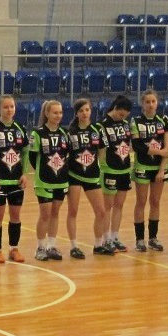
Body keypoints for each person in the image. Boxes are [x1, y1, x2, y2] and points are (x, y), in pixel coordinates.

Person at [0, 95, 30, 264]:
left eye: (12, 106)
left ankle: (14, 249)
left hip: (16, 181)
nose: (9, 109)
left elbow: (25, 152)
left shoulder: (20, 128)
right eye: (6, 107)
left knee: (15, 215)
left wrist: (24, 173)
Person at [63, 98, 110, 258]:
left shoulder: (97, 129)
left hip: (92, 175)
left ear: (91, 111)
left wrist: (98, 163)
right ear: (76, 113)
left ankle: (98, 245)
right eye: (81, 110)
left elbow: (102, 149)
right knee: (73, 211)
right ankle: (74, 246)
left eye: (87, 110)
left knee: (101, 212)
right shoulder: (70, 132)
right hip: (74, 175)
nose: (85, 113)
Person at [28, 99, 70, 261]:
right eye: (55, 112)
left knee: (55, 213)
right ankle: (40, 247)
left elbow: (67, 155)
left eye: (60, 112)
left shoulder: (64, 133)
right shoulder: (38, 134)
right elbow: (32, 158)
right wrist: (44, 169)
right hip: (44, 180)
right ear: (47, 113)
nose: (58, 115)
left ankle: (51, 246)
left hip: (61, 180)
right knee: (45, 214)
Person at [129, 91, 168, 252]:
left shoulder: (164, 120)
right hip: (142, 166)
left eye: (153, 101)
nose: (151, 104)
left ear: (157, 103)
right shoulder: (136, 121)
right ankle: (139, 240)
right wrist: (159, 152)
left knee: (155, 202)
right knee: (141, 202)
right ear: (142, 103)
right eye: (147, 102)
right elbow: (137, 146)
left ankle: (153, 238)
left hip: (158, 168)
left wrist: (161, 170)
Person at [98, 96, 135, 252]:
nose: (122, 117)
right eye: (120, 114)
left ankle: (115, 237)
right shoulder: (102, 125)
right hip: (109, 169)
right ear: (115, 108)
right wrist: (103, 165)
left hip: (124, 169)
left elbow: (129, 145)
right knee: (107, 206)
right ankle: (105, 239)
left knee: (119, 205)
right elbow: (100, 150)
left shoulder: (126, 124)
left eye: (125, 115)